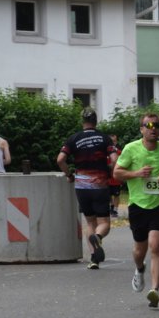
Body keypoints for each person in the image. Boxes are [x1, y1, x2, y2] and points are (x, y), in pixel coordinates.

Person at [114, 112, 159, 307]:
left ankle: (155, 290)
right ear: (141, 129)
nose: (153, 129)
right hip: (138, 205)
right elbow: (117, 173)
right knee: (139, 250)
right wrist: (137, 173)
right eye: (148, 126)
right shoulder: (131, 149)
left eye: (156, 125)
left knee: (155, 246)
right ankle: (140, 268)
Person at [56, 108, 117, 269]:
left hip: (81, 186)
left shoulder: (73, 139)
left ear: (82, 121)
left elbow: (60, 159)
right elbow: (114, 159)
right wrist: (110, 171)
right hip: (100, 185)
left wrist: (69, 175)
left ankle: (93, 259)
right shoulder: (104, 138)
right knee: (104, 223)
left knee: (90, 221)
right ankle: (98, 237)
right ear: (96, 121)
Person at [108, 133, 122, 218]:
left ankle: (115, 210)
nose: (114, 143)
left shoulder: (119, 151)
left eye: (115, 141)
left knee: (116, 195)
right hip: (107, 177)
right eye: (112, 141)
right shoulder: (105, 150)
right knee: (108, 194)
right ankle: (111, 207)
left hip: (116, 177)